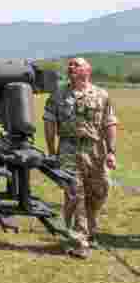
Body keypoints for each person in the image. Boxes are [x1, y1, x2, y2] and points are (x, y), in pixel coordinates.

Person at [42, 57, 119, 258]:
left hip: (95, 150)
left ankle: (88, 230)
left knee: (101, 190)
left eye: (76, 65)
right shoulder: (58, 95)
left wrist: (111, 151)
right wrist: (51, 151)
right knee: (75, 194)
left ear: (88, 70)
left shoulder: (102, 95)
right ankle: (78, 241)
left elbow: (109, 123)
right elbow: (49, 122)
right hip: (69, 149)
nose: (71, 67)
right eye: (70, 65)